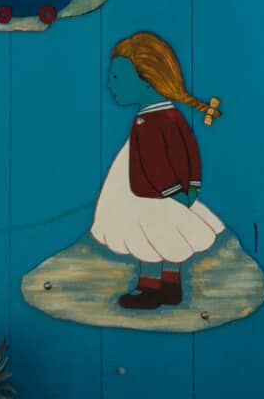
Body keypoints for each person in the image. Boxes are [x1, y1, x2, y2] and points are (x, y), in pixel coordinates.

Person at [91, 32, 224, 310]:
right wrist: (191, 187)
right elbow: (190, 154)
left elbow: (155, 165)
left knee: (147, 237)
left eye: (116, 78)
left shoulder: (147, 123)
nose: (109, 85)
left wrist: (173, 191)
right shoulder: (173, 116)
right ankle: (171, 285)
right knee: (170, 234)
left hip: (151, 196)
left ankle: (150, 289)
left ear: (146, 79)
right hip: (175, 193)